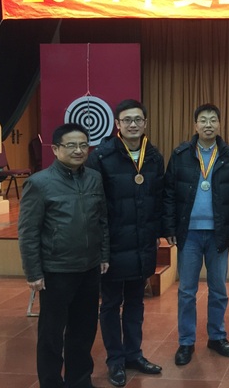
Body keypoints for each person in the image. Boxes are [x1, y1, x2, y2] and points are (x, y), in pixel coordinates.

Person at [18, 123, 109, 388]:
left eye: (83, 145)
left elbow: (102, 220)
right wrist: (33, 272)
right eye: (71, 145)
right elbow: (28, 231)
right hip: (56, 270)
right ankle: (51, 382)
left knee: (84, 329)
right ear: (56, 149)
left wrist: (103, 254)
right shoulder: (39, 183)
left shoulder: (94, 178)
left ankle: (79, 380)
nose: (78, 150)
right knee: (51, 334)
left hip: (89, 268)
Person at [86, 99, 165, 387]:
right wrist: (102, 248)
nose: (133, 124)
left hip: (142, 244)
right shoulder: (101, 156)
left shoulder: (153, 156)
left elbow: (158, 199)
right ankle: (115, 360)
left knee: (135, 303)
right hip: (113, 245)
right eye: (127, 120)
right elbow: (95, 206)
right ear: (117, 124)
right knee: (110, 304)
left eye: (138, 119)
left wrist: (157, 233)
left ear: (145, 123)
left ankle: (134, 354)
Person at [163, 103, 229, 366]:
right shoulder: (181, 154)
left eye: (213, 120)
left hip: (218, 233)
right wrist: (169, 228)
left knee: (218, 289)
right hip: (188, 233)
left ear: (219, 124)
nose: (208, 124)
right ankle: (186, 342)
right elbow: (168, 193)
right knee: (187, 291)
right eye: (203, 120)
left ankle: (217, 336)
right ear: (195, 125)